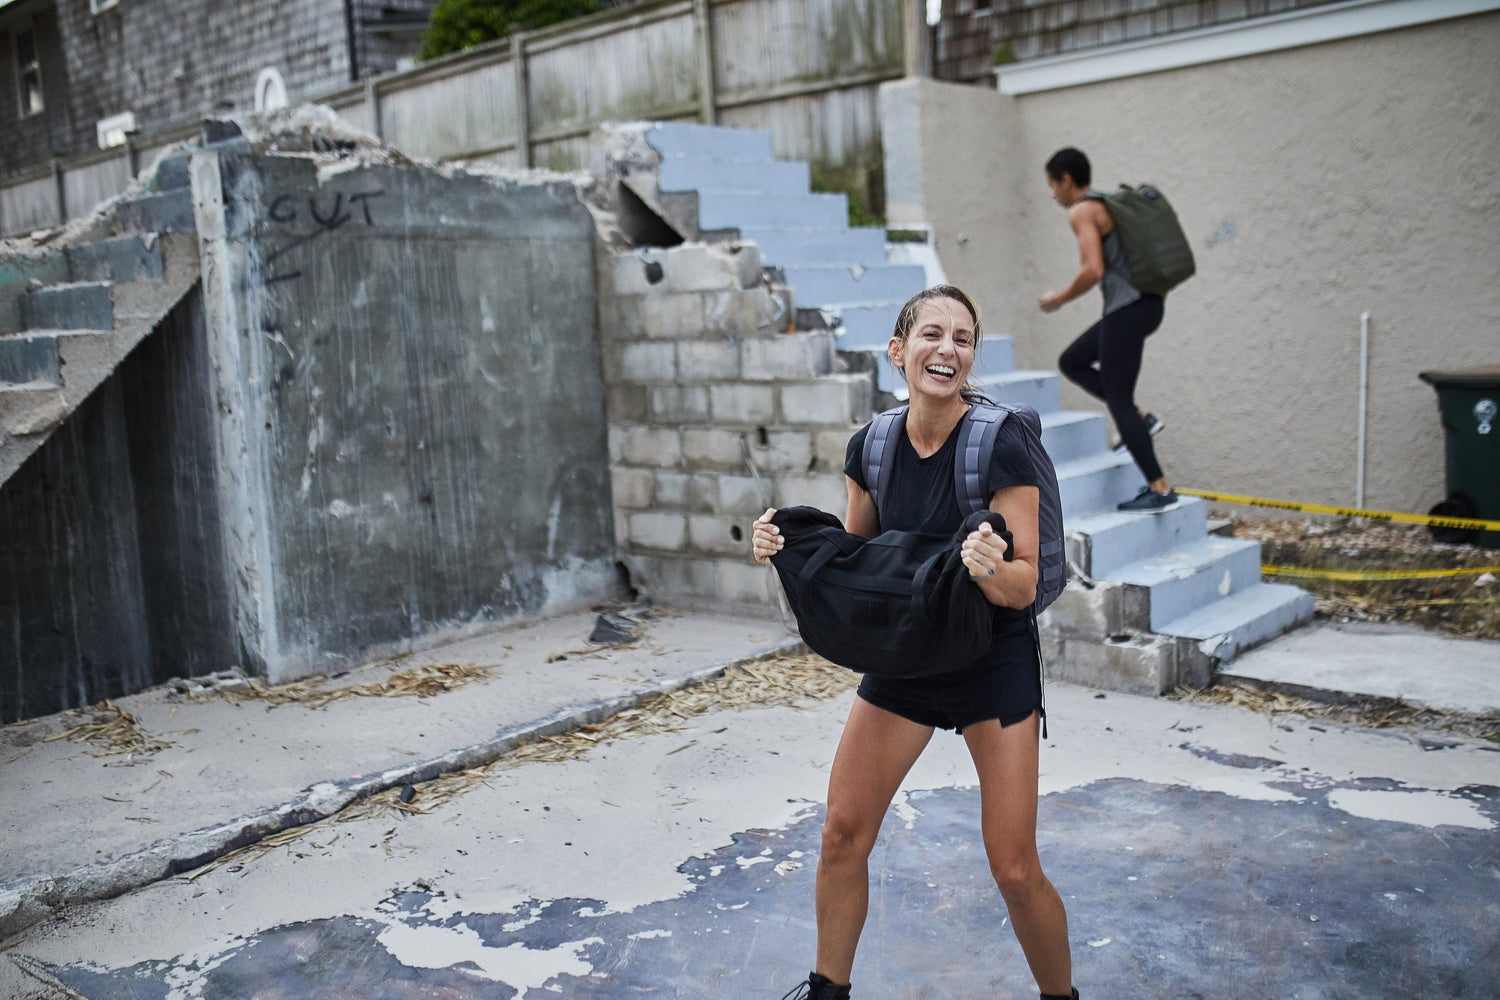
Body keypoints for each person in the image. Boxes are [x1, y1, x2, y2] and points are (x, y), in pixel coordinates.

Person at [753, 285, 1078, 1000]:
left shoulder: (1000, 442)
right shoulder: (871, 446)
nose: (947, 349)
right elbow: (860, 566)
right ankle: (827, 992)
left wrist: (989, 569)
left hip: (991, 657)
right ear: (898, 351)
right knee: (841, 833)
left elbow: (1024, 584)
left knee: (1014, 868)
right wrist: (786, 549)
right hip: (908, 654)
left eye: (962, 338)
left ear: (970, 357)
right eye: (932, 333)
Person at [1039, 146, 1178, 512]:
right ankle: (1142, 419)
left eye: (1052, 185)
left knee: (1119, 401)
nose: (1053, 194)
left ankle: (1160, 488)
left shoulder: (1083, 210)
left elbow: (1093, 270)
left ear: (1066, 180)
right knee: (1072, 361)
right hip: (1148, 305)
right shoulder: (1111, 205)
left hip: (1125, 310)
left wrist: (1058, 299)